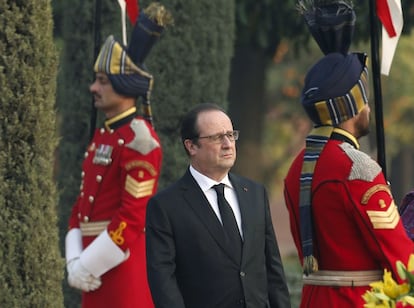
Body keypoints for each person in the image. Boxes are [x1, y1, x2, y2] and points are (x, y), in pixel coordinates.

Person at [283, 52, 414, 307]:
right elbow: (400, 262)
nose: (368, 109)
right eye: (365, 101)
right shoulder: (358, 168)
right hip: (358, 300)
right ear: (353, 107)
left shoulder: (297, 166)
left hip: (313, 299)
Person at [64, 3, 172, 307]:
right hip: (90, 267)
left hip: (120, 270)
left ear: (126, 86)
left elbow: (132, 216)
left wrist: (88, 264)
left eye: (103, 81)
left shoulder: (140, 142)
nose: (93, 88)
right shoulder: (104, 137)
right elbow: (81, 207)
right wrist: (74, 259)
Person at [145, 103, 291, 308]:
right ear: (191, 146)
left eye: (231, 135)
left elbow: (273, 269)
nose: (228, 144)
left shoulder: (255, 193)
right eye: (216, 137)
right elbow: (163, 284)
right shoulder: (166, 206)